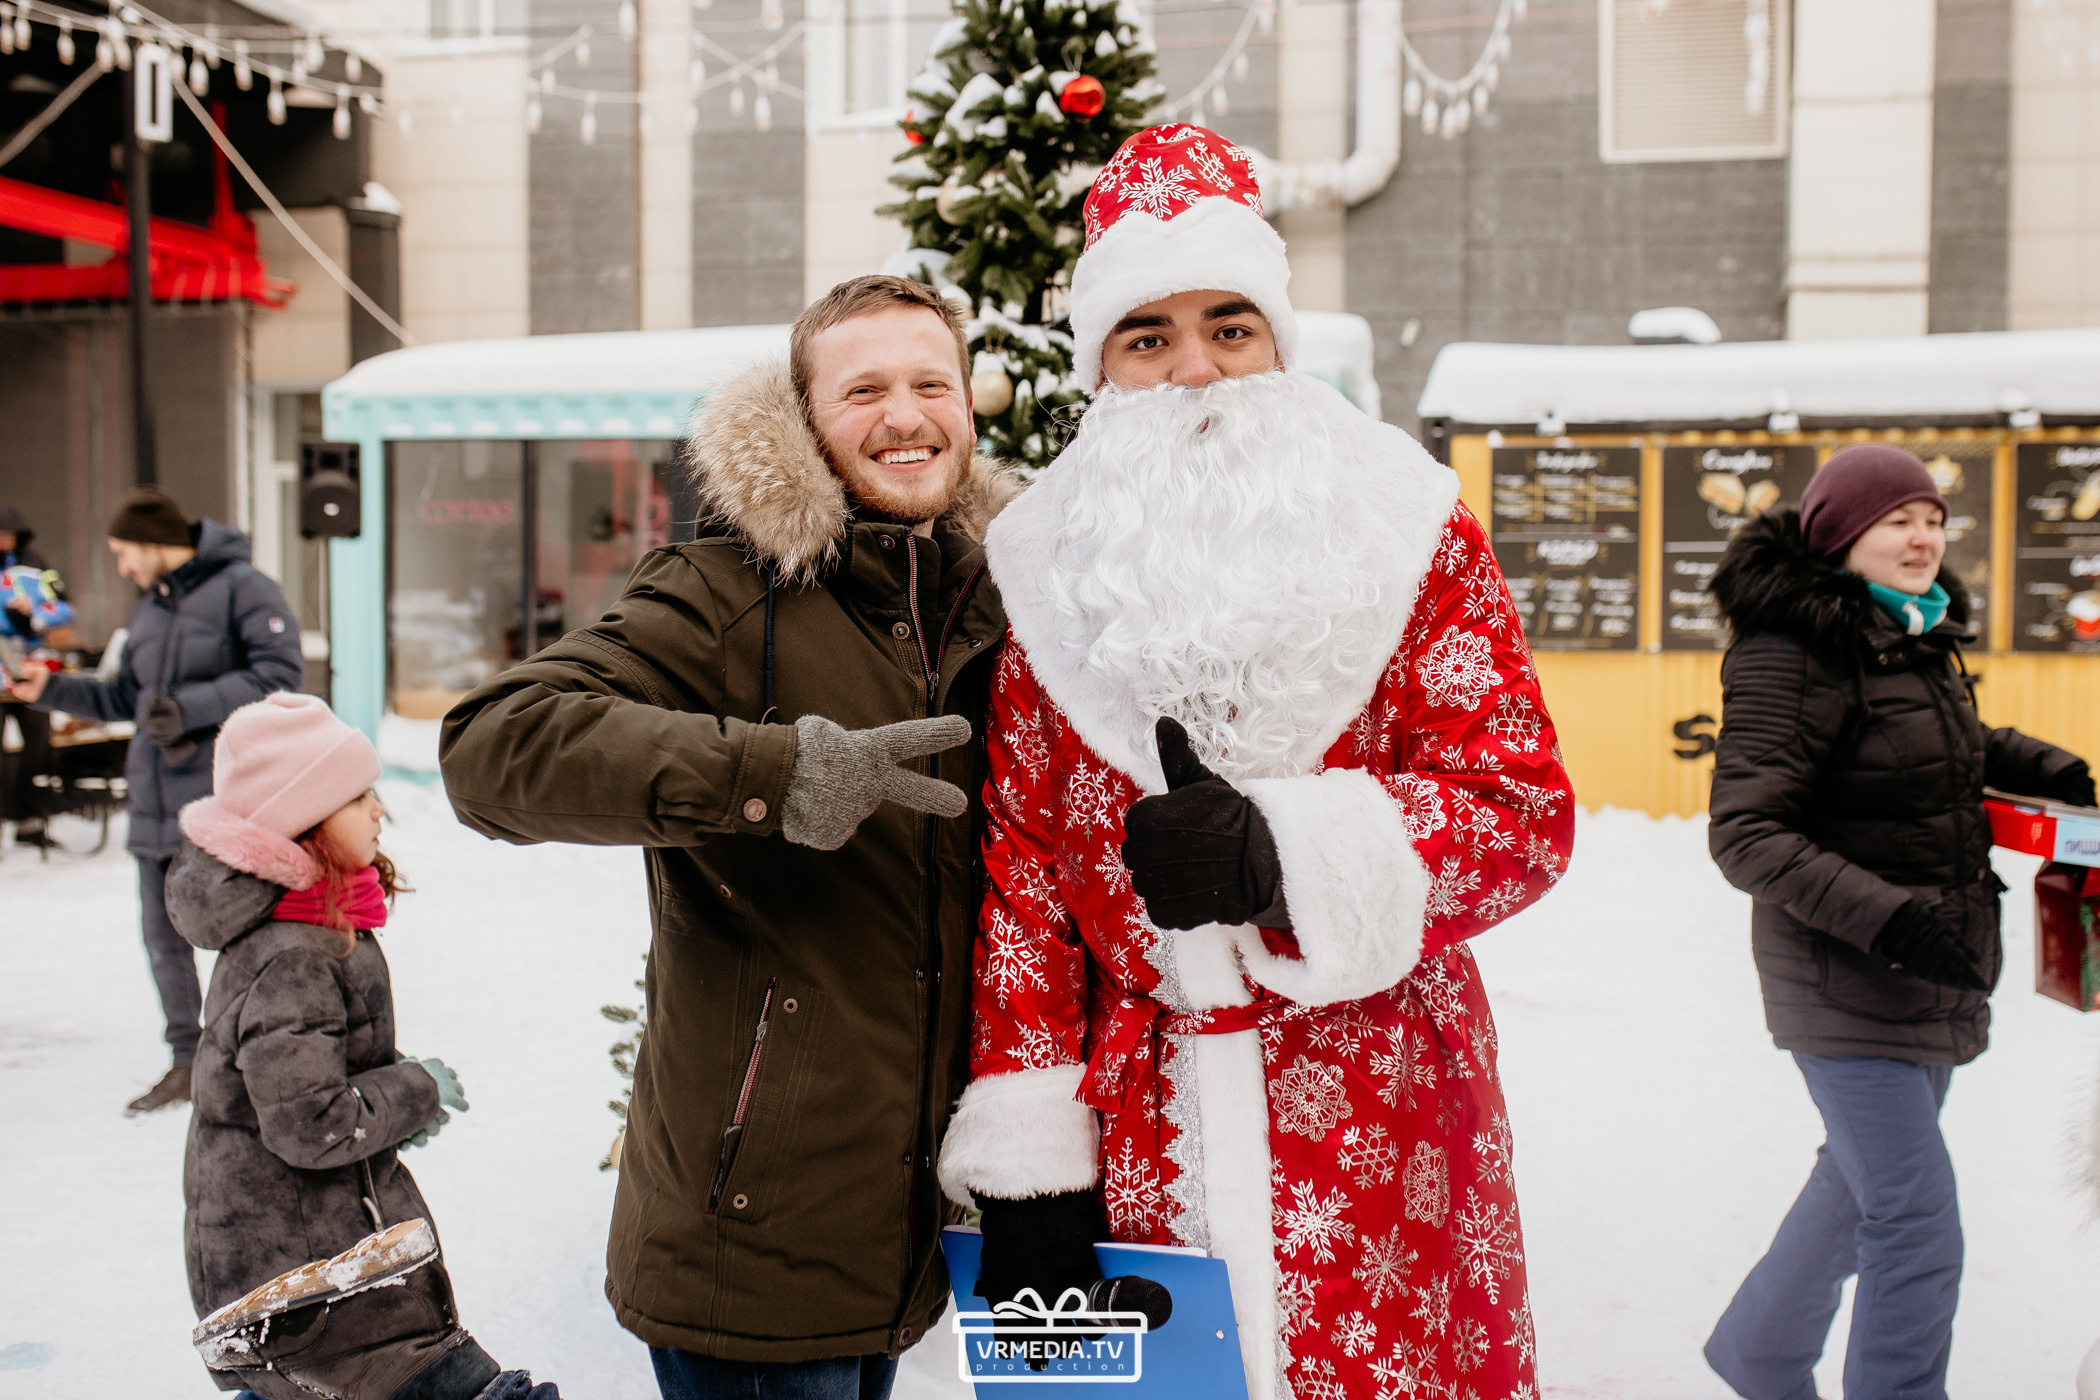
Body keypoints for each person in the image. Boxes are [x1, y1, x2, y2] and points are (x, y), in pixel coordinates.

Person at [934, 124, 1576, 1400]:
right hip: (1137, 1124)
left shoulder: (1413, 532)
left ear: (1279, 340)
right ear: (1102, 366)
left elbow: (1518, 810)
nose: (1196, 371)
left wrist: (1283, 847)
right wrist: (1032, 1161)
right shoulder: (1045, 567)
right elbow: (1021, 876)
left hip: (1380, 1112)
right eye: (1149, 334)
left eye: (1231, 326)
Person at [439, 274, 1020, 1400]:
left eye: (929, 383)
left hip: (895, 1235)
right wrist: (772, 772)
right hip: (745, 1242)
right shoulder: (719, 591)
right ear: (806, 420)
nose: (905, 415)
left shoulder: (991, 600)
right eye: (864, 390)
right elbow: (493, 747)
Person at [1703, 443, 2094, 1400]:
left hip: (1931, 976)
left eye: (1932, 520)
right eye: (1898, 522)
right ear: (1843, 535)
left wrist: (2035, 764)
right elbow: (1746, 831)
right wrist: (1891, 923)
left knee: (1855, 1194)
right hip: (1847, 982)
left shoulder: (1911, 634)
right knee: (1916, 1224)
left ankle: (1759, 1356)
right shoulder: (1787, 651)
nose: (1923, 538)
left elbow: (1931, 741)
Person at [164, 693, 559, 1400]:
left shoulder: (311, 926)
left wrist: (384, 1101)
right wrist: (414, 1090)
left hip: (312, 1250)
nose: (380, 810)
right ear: (303, 825)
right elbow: (309, 1122)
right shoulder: (293, 955)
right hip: (301, 1278)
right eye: (358, 797)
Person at [7, 488, 303, 1114]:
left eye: (123, 553)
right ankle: (189, 1062)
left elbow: (280, 672)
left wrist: (191, 709)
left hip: (222, 805)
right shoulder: (152, 609)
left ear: (152, 542)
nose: (121, 568)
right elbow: (125, 701)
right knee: (163, 939)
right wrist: (49, 689)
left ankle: (254, 1060)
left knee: (242, 938)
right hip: (152, 804)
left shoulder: (243, 587)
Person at [0, 502, 70, 850]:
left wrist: (36, 615)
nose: (6, 540)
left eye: (11, 534)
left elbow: (62, 602)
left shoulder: (35, 563)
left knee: (39, 742)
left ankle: (29, 821)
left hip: (30, 667)